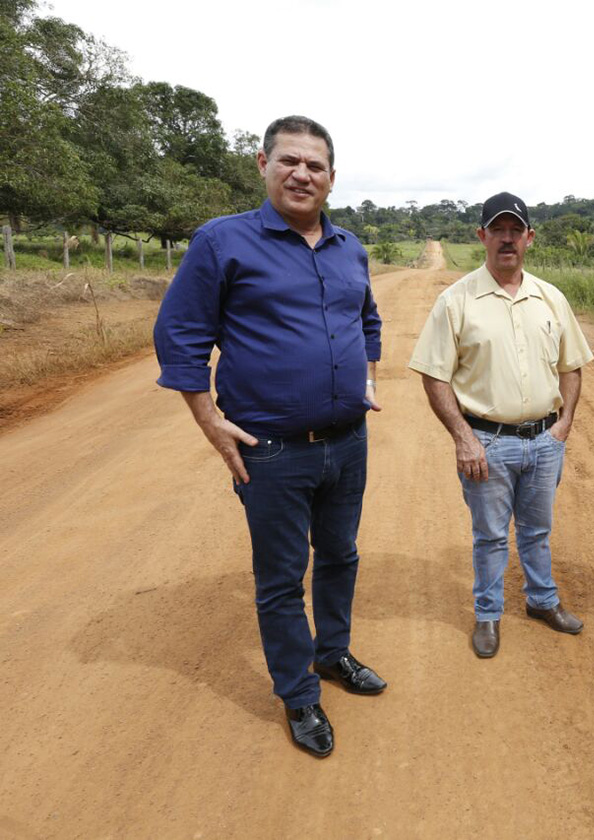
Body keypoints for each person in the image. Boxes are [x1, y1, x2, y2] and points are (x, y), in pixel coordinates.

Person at [153, 116, 386, 759]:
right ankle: (299, 694)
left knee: (340, 556)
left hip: (349, 441)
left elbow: (367, 318)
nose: (301, 174)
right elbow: (180, 334)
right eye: (289, 161)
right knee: (282, 578)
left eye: (315, 165)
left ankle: (333, 653)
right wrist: (209, 420)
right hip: (271, 451)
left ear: (332, 177)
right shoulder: (222, 241)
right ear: (263, 164)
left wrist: (367, 376)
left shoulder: (350, 248)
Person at [411, 192, 593, 659]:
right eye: (498, 230)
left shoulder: (550, 298)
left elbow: (572, 367)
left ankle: (542, 601)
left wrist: (564, 425)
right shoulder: (456, 301)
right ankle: (488, 614)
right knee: (491, 536)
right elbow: (434, 375)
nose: (507, 239)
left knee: (537, 531)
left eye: (515, 231)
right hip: (486, 443)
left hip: (545, 440)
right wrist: (463, 438)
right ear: (482, 236)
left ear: (529, 237)